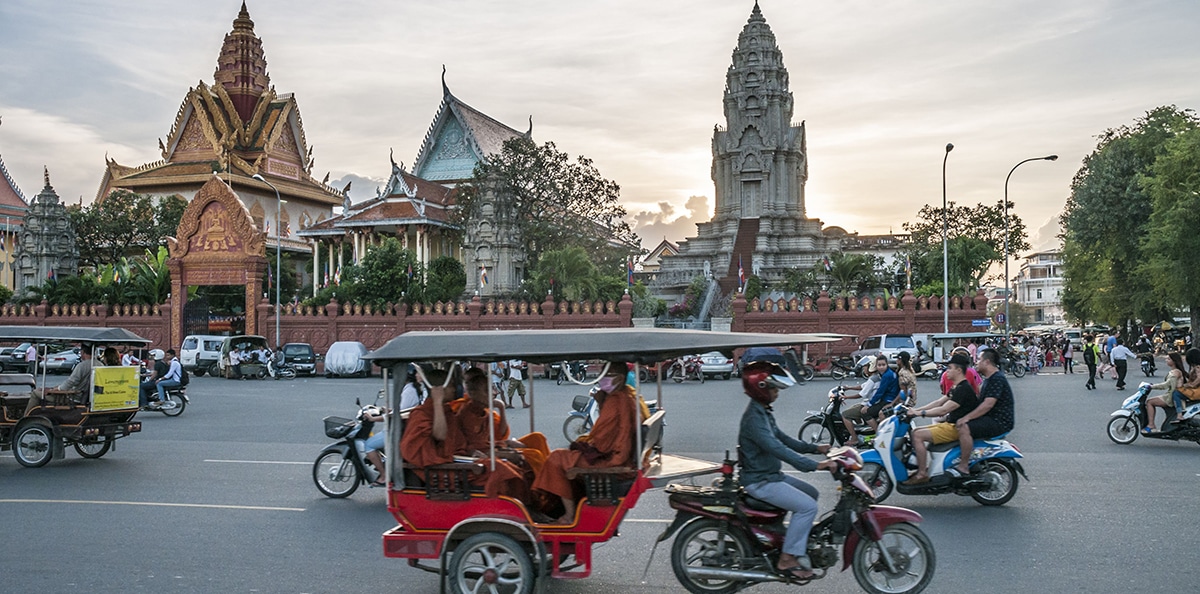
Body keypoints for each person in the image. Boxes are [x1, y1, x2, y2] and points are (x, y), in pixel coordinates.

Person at [736, 361, 833, 579]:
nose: (777, 393)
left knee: (812, 494)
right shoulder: (754, 419)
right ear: (760, 388)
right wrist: (815, 465)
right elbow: (777, 448)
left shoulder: (762, 412)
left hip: (770, 476)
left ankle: (785, 537)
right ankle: (787, 558)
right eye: (773, 388)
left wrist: (815, 448)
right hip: (759, 481)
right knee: (807, 507)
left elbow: (784, 439)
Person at [533, 363, 640, 524]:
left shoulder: (619, 401)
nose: (602, 378)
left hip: (611, 461)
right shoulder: (622, 396)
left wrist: (590, 448)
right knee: (560, 453)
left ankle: (568, 515)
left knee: (556, 458)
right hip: (610, 455)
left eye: (606, 375)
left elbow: (608, 442)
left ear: (619, 378)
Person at [904, 353, 978, 484]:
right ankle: (923, 468)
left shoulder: (964, 389)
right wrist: (915, 410)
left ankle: (921, 473)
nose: (946, 371)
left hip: (956, 428)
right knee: (915, 432)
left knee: (917, 435)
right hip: (950, 424)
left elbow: (944, 409)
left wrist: (919, 414)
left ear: (959, 370)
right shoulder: (957, 387)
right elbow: (938, 402)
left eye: (950, 368)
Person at [950, 348, 1014, 477]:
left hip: (999, 421)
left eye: (979, 359)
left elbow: (987, 405)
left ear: (987, 362)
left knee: (964, 427)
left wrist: (966, 418)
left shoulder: (997, 379)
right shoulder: (989, 379)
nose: (976, 362)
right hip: (991, 418)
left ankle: (964, 466)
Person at [24, 344, 95, 415]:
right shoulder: (99, 364)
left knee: (35, 393)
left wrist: (54, 390)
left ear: (82, 352)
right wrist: (54, 388)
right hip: (88, 397)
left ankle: (26, 416)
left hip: (73, 398)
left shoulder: (82, 366)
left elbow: (71, 382)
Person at [839, 359, 882, 446]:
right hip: (873, 403)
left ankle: (855, 439)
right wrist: (849, 387)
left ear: (871, 367)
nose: (864, 369)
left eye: (865, 367)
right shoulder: (875, 377)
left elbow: (861, 394)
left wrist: (846, 397)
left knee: (845, 415)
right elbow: (863, 386)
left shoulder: (873, 379)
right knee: (853, 407)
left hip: (870, 405)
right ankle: (860, 431)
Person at [1144, 352, 1184, 433]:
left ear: (1174, 361)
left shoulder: (1176, 372)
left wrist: (1152, 386)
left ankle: (1151, 425)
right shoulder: (1174, 371)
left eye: (1168, 359)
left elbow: (1167, 385)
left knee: (1149, 402)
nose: (1166, 360)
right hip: (1170, 394)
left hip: (1172, 396)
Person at [1170, 348, 1200, 416]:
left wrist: (1191, 385)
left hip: (1197, 392)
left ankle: (1179, 413)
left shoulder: (1197, 367)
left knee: (1176, 393)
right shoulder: (1195, 366)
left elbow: (1199, 378)